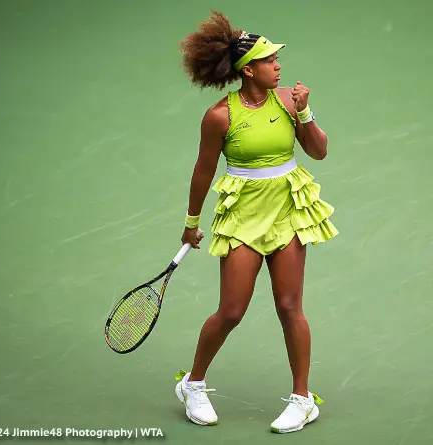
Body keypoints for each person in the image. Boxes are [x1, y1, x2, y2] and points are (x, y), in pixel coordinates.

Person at [174, 10, 338, 434]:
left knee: (289, 307)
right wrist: (192, 223)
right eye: (270, 60)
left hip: (287, 210)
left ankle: (303, 400)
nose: (278, 65)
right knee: (231, 310)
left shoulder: (288, 101)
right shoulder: (219, 116)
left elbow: (318, 152)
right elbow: (202, 172)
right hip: (243, 216)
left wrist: (304, 113)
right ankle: (193, 384)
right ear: (249, 70)